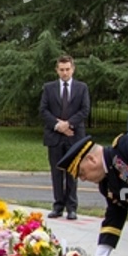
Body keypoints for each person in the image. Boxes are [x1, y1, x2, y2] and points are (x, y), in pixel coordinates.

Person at [39, 54, 90, 219]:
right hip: (54, 137)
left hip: (74, 136)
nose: (65, 73)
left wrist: (68, 124)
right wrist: (58, 126)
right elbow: (43, 110)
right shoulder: (49, 88)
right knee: (56, 172)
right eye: (61, 70)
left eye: (67, 69)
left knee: (72, 172)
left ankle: (72, 207)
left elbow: (84, 110)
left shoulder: (82, 88)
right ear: (57, 70)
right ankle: (58, 205)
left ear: (73, 69)